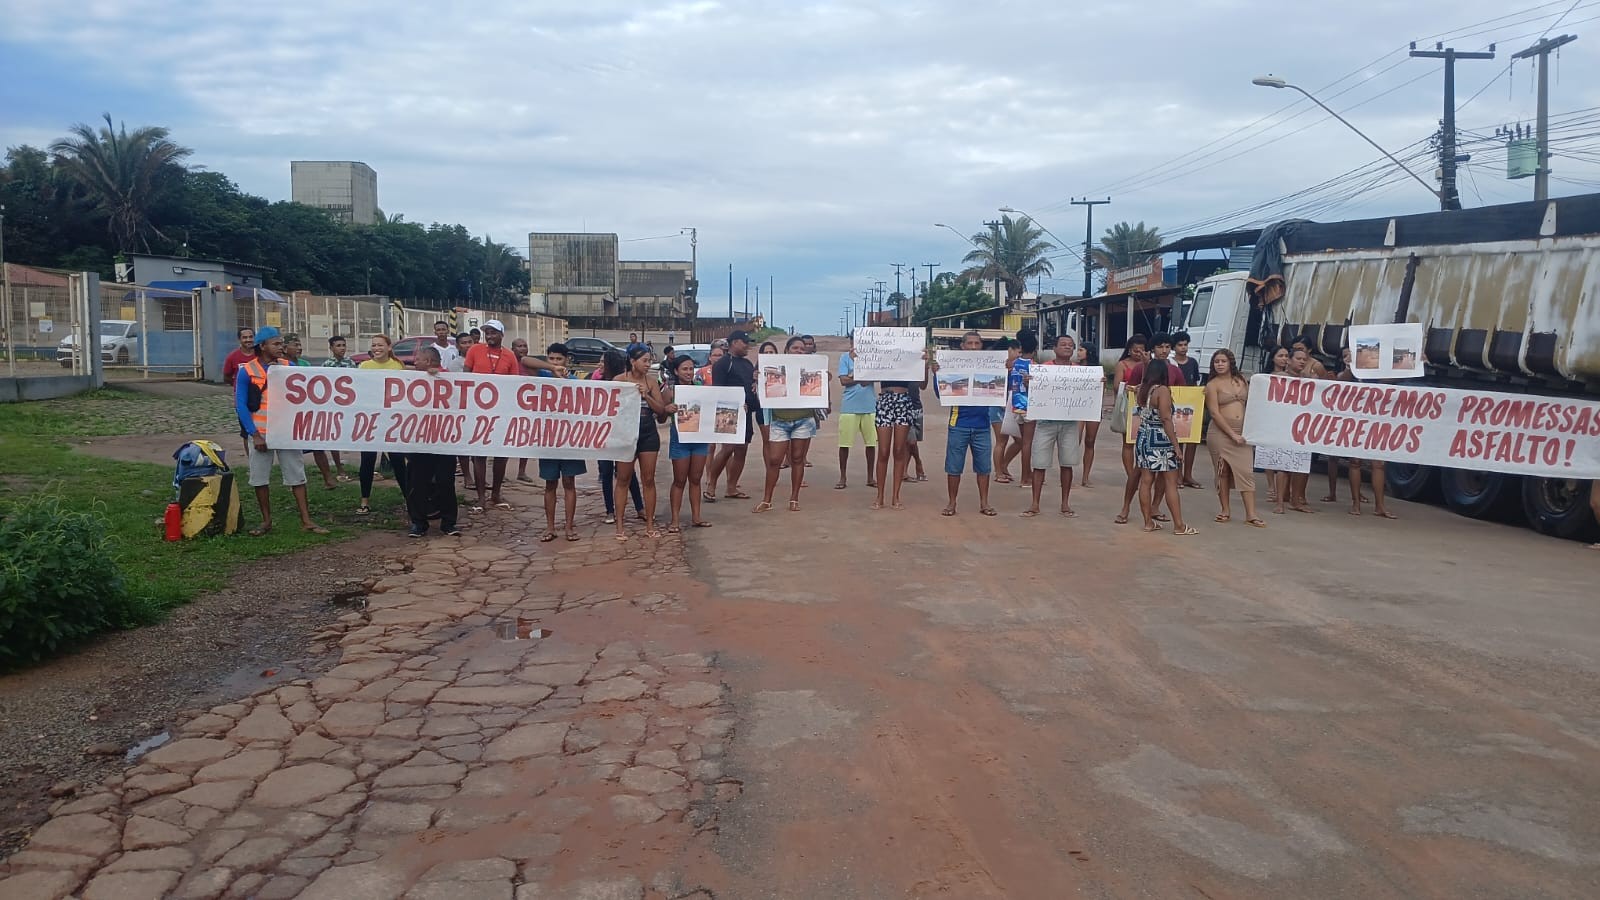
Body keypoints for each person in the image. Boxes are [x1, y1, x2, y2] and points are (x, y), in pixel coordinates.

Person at [233, 326, 328, 537]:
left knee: (297, 475)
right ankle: (266, 521)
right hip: (261, 431)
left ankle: (306, 520)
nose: (281, 347)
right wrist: (254, 434)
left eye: (281, 343)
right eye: (276, 343)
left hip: (286, 431)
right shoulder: (246, 370)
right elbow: (240, 405)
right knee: (260, 478)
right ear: (262, 346)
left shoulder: (288, 366)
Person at [613, 345, 675, 539]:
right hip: (625, 433)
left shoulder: (651, 382)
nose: (648, 365)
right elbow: (609, 408)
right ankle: (620, 526)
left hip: (648, 432)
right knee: (623, 479)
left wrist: (645, 395)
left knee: (648, 479)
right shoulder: (619, 381)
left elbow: (661, 410)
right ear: (633, 361)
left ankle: (649, 524)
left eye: (649, 361)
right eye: (645, 361)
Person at [756, 336, 822, 513]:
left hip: (803, 419)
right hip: (780, 419)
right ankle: (767, 500)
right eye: (795, 348)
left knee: (797, 459)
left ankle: (794, 498)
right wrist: (758, 379)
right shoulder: (774, 368)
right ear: (786, 350)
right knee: (774, 460)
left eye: (802, 349)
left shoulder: (812, 367)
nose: (799, 351)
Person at [1022, 333, 1085, 518]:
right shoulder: (1043, 369)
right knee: (1039, 464)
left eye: (1070, 345)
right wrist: (1028, 384)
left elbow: (1087, 394)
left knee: (1067, 463)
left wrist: (1097, 385)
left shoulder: (1081, 371)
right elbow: (1033, 394)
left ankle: (1065, 503)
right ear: (1055, 349)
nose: (1067, 347)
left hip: (1069, 422)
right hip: (1046, 422)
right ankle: (1035, 503)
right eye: (1063, 344)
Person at [933, 331, 995, 517]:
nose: (974, 347)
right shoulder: (952, 366)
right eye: (970, 343)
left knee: (984, 467)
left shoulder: (990, 367)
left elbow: (1002, 390)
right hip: (959, 422)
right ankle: (952, 502)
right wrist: (937, 374)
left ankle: (984, 502)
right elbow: (940, 394)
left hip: (982, 424)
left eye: (977, 343)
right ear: (962, 346)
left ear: (982, 346)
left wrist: (1006, 371)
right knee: (954, 466)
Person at [462, 319, 520, 512]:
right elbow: (465, 377)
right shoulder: (474, 351)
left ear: (502, 335)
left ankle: (496, 493)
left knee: (500, 455)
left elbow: (514, 386)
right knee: (479, 454)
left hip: (501, 412)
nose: (490, 336)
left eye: (494, 332)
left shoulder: (510, 356)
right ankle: (481, 497)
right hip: (477, 411)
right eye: (487, 332)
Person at [405, 346, 461, 538]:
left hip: (444, 440)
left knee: (446, 482)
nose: (415, 362)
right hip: (419, 439)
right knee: (418, 483)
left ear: (429, 362)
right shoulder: (412, 379)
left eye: (418, 359)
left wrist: (437, 376)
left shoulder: (448, 378)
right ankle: (418, 523)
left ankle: (449, 523)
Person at [1134, 360, 1195, 535]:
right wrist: (1176, 446)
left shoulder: (1142, 390)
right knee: (1170, 482)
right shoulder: (1162, 390)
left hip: (1143, 437)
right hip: (1160, 438)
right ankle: (1179, 525)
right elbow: (1166, 419)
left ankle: (1148, 522)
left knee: (1145, 481)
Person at [1204, 349, 1264, 527]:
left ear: (1230, 363)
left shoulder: (1241, 380)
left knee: (1246, 471)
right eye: (1217, 362)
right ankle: (1225, 509)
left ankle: (1251, 514)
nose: (1220, 364)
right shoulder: (1212, 385)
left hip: (1242, 432)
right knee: (1222, 471)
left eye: (1223, 361)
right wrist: (1232, 435)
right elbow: (1214, 413)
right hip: (1221, 433)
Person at [536, 342, 587, 542]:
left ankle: (568, 526)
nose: (556, 362)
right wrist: (551, 369)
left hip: (569, 438)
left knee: (569, 482)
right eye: (552, 358)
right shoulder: (542, 376)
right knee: (550, 484)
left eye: (559, 359)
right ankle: (550, 527)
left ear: (567, 360)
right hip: (548, 438)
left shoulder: (574, 381)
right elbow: (524, 360)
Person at [355, 335, 409, 515]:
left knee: (398, 461)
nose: (376, 348)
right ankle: (364, 501)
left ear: (388, 347)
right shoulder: (364, 367)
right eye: (373, 345)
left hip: (391, 421)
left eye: (380, 345)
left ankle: (409, 499)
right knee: (367, 461)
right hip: (370, 420)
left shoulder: (397, 366)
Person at [592, 350, 646, 524]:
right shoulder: (596, 382)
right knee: (606, 472)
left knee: (627, 472)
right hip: (604, 434)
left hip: (622, 433)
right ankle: (610, 510)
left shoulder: (626, 384)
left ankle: (639, 507)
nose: (599, 365)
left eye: (602, 362)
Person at [872, 347, 928, 510]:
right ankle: (880, 495)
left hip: (904, 400)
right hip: (885, 401)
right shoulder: (883, 357)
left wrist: (924, 365)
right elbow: (863, 380)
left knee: (899, 450)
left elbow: (923, 385)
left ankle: (896, 496)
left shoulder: (910, 360)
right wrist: (859, 361)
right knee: (883, 451)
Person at [705, 331, 758, 502]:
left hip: (746, 412)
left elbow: (751, 387)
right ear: (735, 342)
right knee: (727, 449)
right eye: (745, 342)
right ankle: (711, 485)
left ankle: (732, 487)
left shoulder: (748, 364)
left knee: (742, 450)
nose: (747, 346)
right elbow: (717, 391)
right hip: (728, 412)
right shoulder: (723, 364)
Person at [282, 333, 340, 491]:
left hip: (308, 411)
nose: (299, 348)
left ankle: (327, 477)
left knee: (317, 445)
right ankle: (294, 480)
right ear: (285, 348)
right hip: (288, 413)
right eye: (295, 345)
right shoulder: (280, 366)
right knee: (291, 449)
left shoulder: (305, 364)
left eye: (299, 344)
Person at [664, 354, 712, 532]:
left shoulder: (701, 387)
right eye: (685, 369)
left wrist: (738, 408)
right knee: (679, 480)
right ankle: (675, 520)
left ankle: (696, 517)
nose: (689, 372)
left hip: (699, 439)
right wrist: (666, 409)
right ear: (676, 371)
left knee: (696, 479)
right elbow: (661, 417)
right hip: (680, 439)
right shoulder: (670, 390)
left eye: (691, 368)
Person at [835, 332, 878, 489]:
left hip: (869, 406)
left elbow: (867, 379)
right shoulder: (844, 358)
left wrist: (854, 376)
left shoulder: (871, 358)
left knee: (871, 444)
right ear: (851, 342)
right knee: (844, 444)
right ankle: (843, 477)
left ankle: (870, 477)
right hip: (850, 406)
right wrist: (860, 377)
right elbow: (843, 381)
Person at [998, 329, 1039, 482]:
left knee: (1022, 442)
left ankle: (1024, 475)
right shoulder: (1034, 366)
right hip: (1030, 406)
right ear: (1034, 349)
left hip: (1015, 405)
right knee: (1027, 443)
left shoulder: (1012, 364)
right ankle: (1026, 476)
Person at [320, 336, 358, 482]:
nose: (342, 348)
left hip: (349, 404)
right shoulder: (327, 365)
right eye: (338, 345)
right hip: (333, 405)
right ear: (331, 348)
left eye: (343, 345)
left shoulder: (351, 363)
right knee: (333, 435)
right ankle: (338, 466)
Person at [1170, 331, 1204, 489]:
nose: (1183, 348)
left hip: (1191, 405)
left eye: (1185, 345)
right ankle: (1177, 474)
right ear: (1174, 347)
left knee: (1192, 441)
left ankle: (1188, 475)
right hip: (1175, 405)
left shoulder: (1193, 363)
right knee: (1178, 440)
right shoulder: (1170, 363)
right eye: (1180, 345)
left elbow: (1196, 384)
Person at [1077, 340, 1102, 487]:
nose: (1078, 352)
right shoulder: (1073, 368)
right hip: (1077, 407)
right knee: (1075, 441)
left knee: (1090, 441)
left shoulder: (1098, 370)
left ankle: (1086, 476)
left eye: (1081, 350)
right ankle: (1069, 474)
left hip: (1093, 407)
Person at [990, 338, 1016, 482]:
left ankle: (1003, 465)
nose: (1018, 355)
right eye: (1016, 351)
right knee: (1001, 441)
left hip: (1010, 407)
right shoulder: (996, 368)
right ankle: (998, 472)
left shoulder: (1013, 368)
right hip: (997, 407)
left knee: (1019, 440)